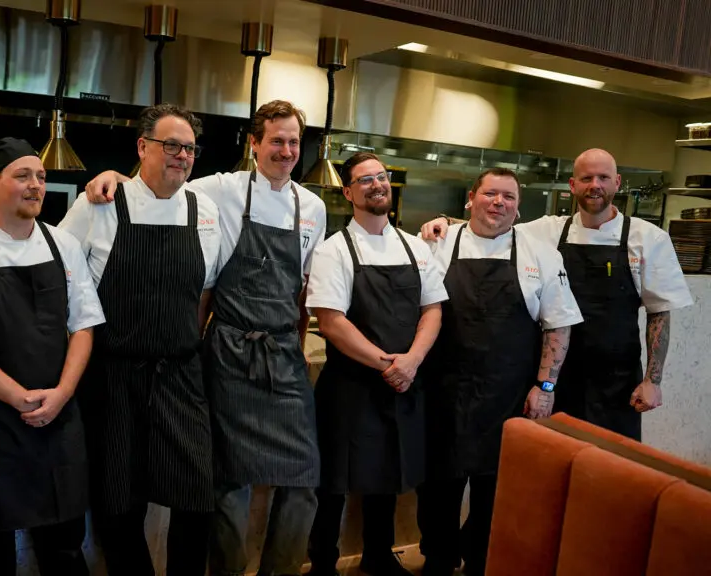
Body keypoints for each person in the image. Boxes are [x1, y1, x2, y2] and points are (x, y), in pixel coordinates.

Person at [83, 100, 326, 576]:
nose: (286, 150)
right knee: (223, 482)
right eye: (275, 140)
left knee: (304, 479)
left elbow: (302, 291)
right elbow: (158, 188)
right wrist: (108, 175)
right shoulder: (218, 191)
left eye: (294, 141)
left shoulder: (313, 207)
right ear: (253, 144)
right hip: (228, 349)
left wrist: (294, 348)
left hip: (281, 356)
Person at [419, 149, 693, 441]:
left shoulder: (648, 238)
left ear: (618, 183)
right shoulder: (548, 230)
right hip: (553, 377)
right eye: (586, 178)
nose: (595, 185)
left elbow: (659, 312)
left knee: (610, 465)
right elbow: (493, 227)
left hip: (614, 378)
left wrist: (653, 380)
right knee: (551, 462)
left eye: (603, 177)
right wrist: (444, 223)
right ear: (573, 186)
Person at [59, 103, 222, 576]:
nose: (181, 156)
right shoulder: (100, 204)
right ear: (142, 147)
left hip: (180, 372)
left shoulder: (204, 208)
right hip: (112, 374)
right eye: (170, 145)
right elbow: (64, 277)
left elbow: (203, 290)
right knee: (118, 500)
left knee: (196, 496)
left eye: (189, 148)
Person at [0, 137, 103, 576]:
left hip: (59, 417)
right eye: (23, 176)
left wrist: (62, 393)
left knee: (65, 547)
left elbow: (84, 325)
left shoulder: (63, 246)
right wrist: (19, 399)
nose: (36, 186)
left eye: (42, 178)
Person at [415, 168, 582, 576]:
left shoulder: (539, 253)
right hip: (442, 389)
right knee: (438, 484)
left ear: (518, 206)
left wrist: (545, 385)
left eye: (508, 197)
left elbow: (558, 324)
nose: (499, 203)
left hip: (506, 392)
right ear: (471, 199)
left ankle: (479, 560)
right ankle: (437, 559)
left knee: (496, 489)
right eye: (491, 194)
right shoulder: (436, 243)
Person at [304, 152, 447, 576]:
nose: (377, 185)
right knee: (334, 481)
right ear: (348, 192)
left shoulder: (416, 247)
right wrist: (390, 364)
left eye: (381, 177)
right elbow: (331, 322)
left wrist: (413, 360)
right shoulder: (335, 250)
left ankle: (379, 556)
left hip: (405, 380)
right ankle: (323, 563)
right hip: (352, 386)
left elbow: (433, 309)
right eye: (365, 180)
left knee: (390, 471)